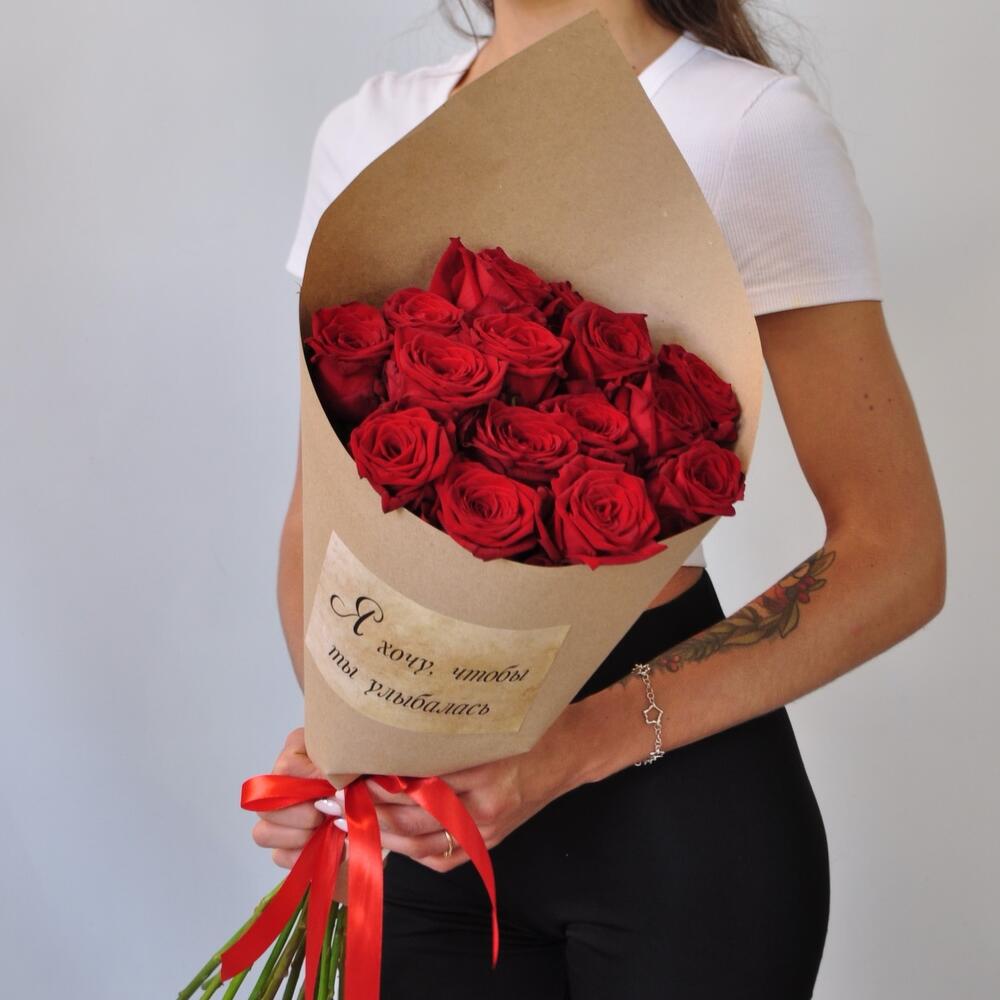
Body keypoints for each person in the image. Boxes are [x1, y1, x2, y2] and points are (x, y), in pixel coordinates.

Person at [256, 2, 946, 996]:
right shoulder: (368, 130)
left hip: (675, 831)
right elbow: (311, 526)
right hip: (427, 828)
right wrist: (348, 742)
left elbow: (895, 553)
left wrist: (569, 747)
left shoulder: (747, 129)